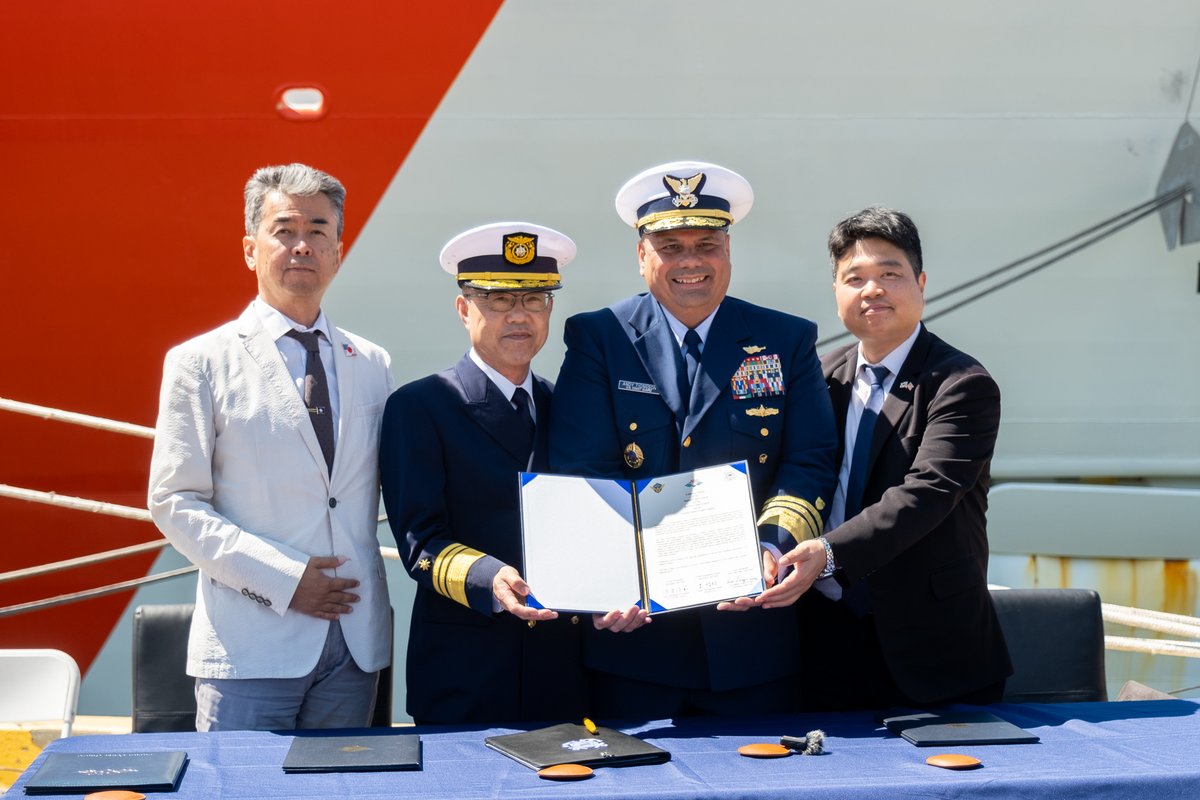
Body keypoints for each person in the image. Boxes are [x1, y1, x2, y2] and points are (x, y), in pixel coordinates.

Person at [548, 161, 838, 719]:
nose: (690, 261)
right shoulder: (600, 338)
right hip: (634, 639)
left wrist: (771, 547)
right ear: (641, 256)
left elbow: (809, 460)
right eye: (670, 245)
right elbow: (582, 471)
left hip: (750, 633)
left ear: (728, 253)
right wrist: (609, 577)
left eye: (707, 244)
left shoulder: (786, 338)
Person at [147, 163, 394, 731]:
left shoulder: (373, 363)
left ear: (337, 249)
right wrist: (284, 579)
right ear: (250, 249)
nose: (302, 244)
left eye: (318, 229)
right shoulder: (200, 363)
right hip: (249, 646)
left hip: (355, 645)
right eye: (284, 229)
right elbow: (174, 501)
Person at [761, 205, 1012, 709]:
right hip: (820, 641)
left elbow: (927, 492)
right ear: (836, 293)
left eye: (889, 275)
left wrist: (828, 553)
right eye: (854, 278)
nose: (871, 290)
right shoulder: (818, 376)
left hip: (932, 653)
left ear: (920, 282)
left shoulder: (961, 384)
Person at [380, 222, 588, 725]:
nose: (519, 316)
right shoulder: (421, 406)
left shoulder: (570, 406)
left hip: (564, 666)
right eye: (497, 300)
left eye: (535, 299)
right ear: (463, 308)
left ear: (550, 310)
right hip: (466, 666)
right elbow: (420, 542)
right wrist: (489, 577)